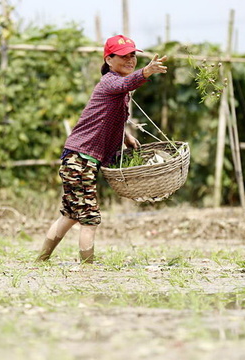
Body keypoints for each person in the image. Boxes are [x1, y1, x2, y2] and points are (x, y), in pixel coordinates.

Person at [36, 35, 168, 264]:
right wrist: (146, 72)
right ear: (109, 60)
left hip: (79, 157)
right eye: (124, 55)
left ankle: (41, 260)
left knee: (70, 214)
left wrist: (125, 137)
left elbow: (104, 119)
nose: (130, 59)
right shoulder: (111, 81)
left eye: (133, 55)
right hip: (81, 159)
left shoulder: (118, 88)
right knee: (89, 218)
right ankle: (88, 268)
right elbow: (126, 83)